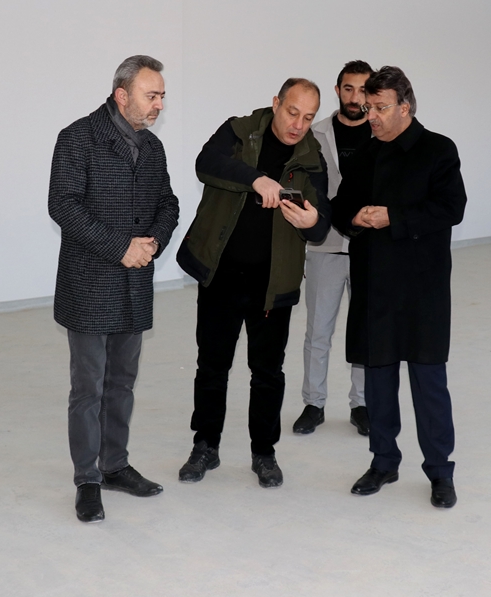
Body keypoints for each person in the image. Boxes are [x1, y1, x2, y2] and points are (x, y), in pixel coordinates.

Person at [175, 78, 331, 488]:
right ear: (276, 103)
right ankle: (205, 446)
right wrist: (256, 179)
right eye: (292, 112)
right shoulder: (238, 131)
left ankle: (264, 453)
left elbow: (322, 223)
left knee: (268, 373)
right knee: (212, 366)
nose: (299, 125)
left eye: (309, 117)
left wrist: (312, 221)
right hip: (222, 275)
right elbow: (206, 163)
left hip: (273, 284)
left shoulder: (312, 156)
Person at [48, 54, 180, 523]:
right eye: (152, 95)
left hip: (135, 282)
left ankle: (115, 465)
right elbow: (63, 205)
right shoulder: (77, 138)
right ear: (122, 95)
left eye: (162, 96)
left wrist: (153, 242)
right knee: (89, 387)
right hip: (90, 283)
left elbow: (168, 202)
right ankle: (87, 479)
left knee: (122, 382)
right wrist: (120, 247)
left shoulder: (152, 147)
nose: (159, 104)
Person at [331, 66, 467, 509]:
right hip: (374, 284)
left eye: (380, 107)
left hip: (423, 287)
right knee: (379, 381)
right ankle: (383, 461)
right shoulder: (365, 153)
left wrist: (393, 217)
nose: (370, 115)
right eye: (367, 107)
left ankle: (440, 471)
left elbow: (452, 207)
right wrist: (353, 217)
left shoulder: (438, 149)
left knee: (429, 383)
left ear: (405, 107)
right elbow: (341, 207)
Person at [293, 60, 374, 437]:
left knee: (366, 330)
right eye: (348, 88)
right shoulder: (316, 133)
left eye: (363, 89)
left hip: (370, 248)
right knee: (318, 331)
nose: (355, 97)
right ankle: (314, 403)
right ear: (338, 90)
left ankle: (363, 404)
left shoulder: (381, 133)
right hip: (325, 244)